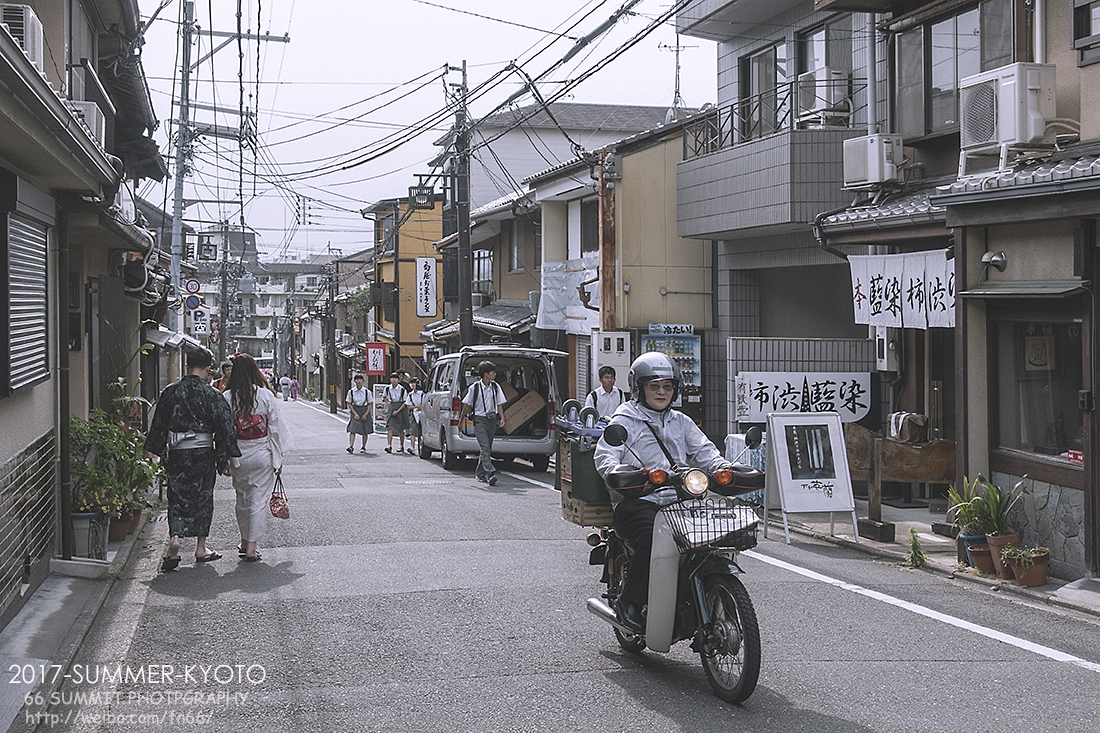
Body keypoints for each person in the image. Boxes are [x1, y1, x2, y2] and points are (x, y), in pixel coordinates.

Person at [593, 352, 726, 634]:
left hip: (678, 500)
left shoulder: (681, 421)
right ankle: (630, 602)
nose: (662, 392)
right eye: (654, 386)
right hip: (638, 500)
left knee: (712, 536)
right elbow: (605, 456)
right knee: (653, 539)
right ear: (639, 388)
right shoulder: (625, 418)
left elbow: (705, 452)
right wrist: (619, 473)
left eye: (667, 386)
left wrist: (724, 468)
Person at [145, 349, 240, 571]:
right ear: (208, 369)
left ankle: (175, 540)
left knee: (176, 496)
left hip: (178, 451)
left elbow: (158, 424)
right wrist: (223, 457)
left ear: (187, 366)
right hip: (204, 452)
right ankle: (200, 547)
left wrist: (159, 451)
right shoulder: (212, 394)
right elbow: (226, 428)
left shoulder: (170, 392)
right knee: (203, 497)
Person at [224, 354, 293, 563]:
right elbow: (274, 428)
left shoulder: (227, 397)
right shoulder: (264, 395)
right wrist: (277, 458)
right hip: (262, 453)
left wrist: (226, 457)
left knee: (242, 499)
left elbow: (226, 431)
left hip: (238, 455)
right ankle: (251, 547)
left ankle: (245, 542)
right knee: (258, 501)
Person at [457, 361, 507, 485]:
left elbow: (499, 403)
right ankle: (490, 473)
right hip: (479, 420)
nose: (495, 374)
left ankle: (480, 473)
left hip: (491, 420)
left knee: (487, 448)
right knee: (485, 447)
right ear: (485, 374)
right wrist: (461, 420)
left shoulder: (496, 387)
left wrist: (502, 418)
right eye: (492, 372)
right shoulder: (474, 388)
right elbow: (466, 405)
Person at [346, 374, 374, 454]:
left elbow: (370, 403)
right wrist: (354, 413)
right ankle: (351, 446)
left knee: (365, 430)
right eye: (357, 379)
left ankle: (363, 446)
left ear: (363, 381)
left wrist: (366, 414)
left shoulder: (366, 391)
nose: (359, 381)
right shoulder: (351, 392)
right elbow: (349, 403)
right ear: (354, 381)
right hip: (355, 409)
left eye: (360, 379)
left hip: (364, 409)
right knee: (352, 428)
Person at [383, 372, 408, 454]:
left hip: (400, 406)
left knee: (401, 428)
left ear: (398, 380)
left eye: (396, 378)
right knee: (390, 427)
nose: (394, 380)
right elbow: (384, 396)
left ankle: (401, 445)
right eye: (392, 378)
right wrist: (389, 404)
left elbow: (405, 402)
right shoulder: (387, 388)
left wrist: (398, 410)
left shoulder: (402, 389)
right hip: (392, 405)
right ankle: (389, 445)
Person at [405, 379, 424, 455]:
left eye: (415, 383)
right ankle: (412, 447)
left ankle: (421, 447)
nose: (413, 385)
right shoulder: (410, 394)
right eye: (412, 383)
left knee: (422, 431)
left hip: (422, 414)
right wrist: (417, 406)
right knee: (413, 430)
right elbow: (408, 406)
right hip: (414, 413)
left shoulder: (422, 394)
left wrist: (420, 407)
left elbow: (425, 405)